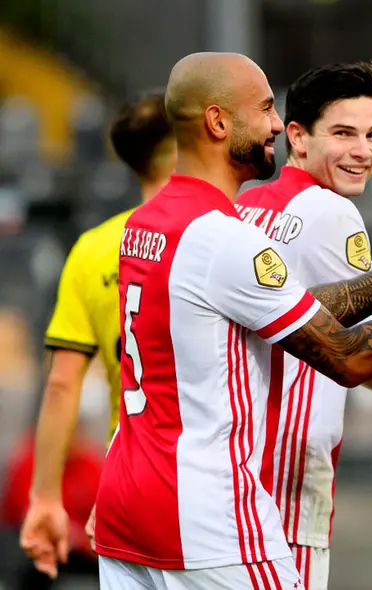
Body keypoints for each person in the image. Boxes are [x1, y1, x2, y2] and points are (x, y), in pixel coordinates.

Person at [93, 52, 372, 589]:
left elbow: (287, 305)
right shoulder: (227, 237)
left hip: (126, 499)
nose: (274, 123)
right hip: (206, 508)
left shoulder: (147, 223)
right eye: (266, 108)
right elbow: (348, 357)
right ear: (218, 122)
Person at [234, 61, 372, 590]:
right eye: (343, 133)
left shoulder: (245, 204)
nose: (363, 151)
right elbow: (369, 349)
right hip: (290, 469)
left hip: (241, 464)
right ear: (297, 137)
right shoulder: (333, 214)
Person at [19, 91, 176, 581]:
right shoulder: (225, 234)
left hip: (124, 478)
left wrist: (44, 497)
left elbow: (61, 383)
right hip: (208, 482)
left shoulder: (92, 249)